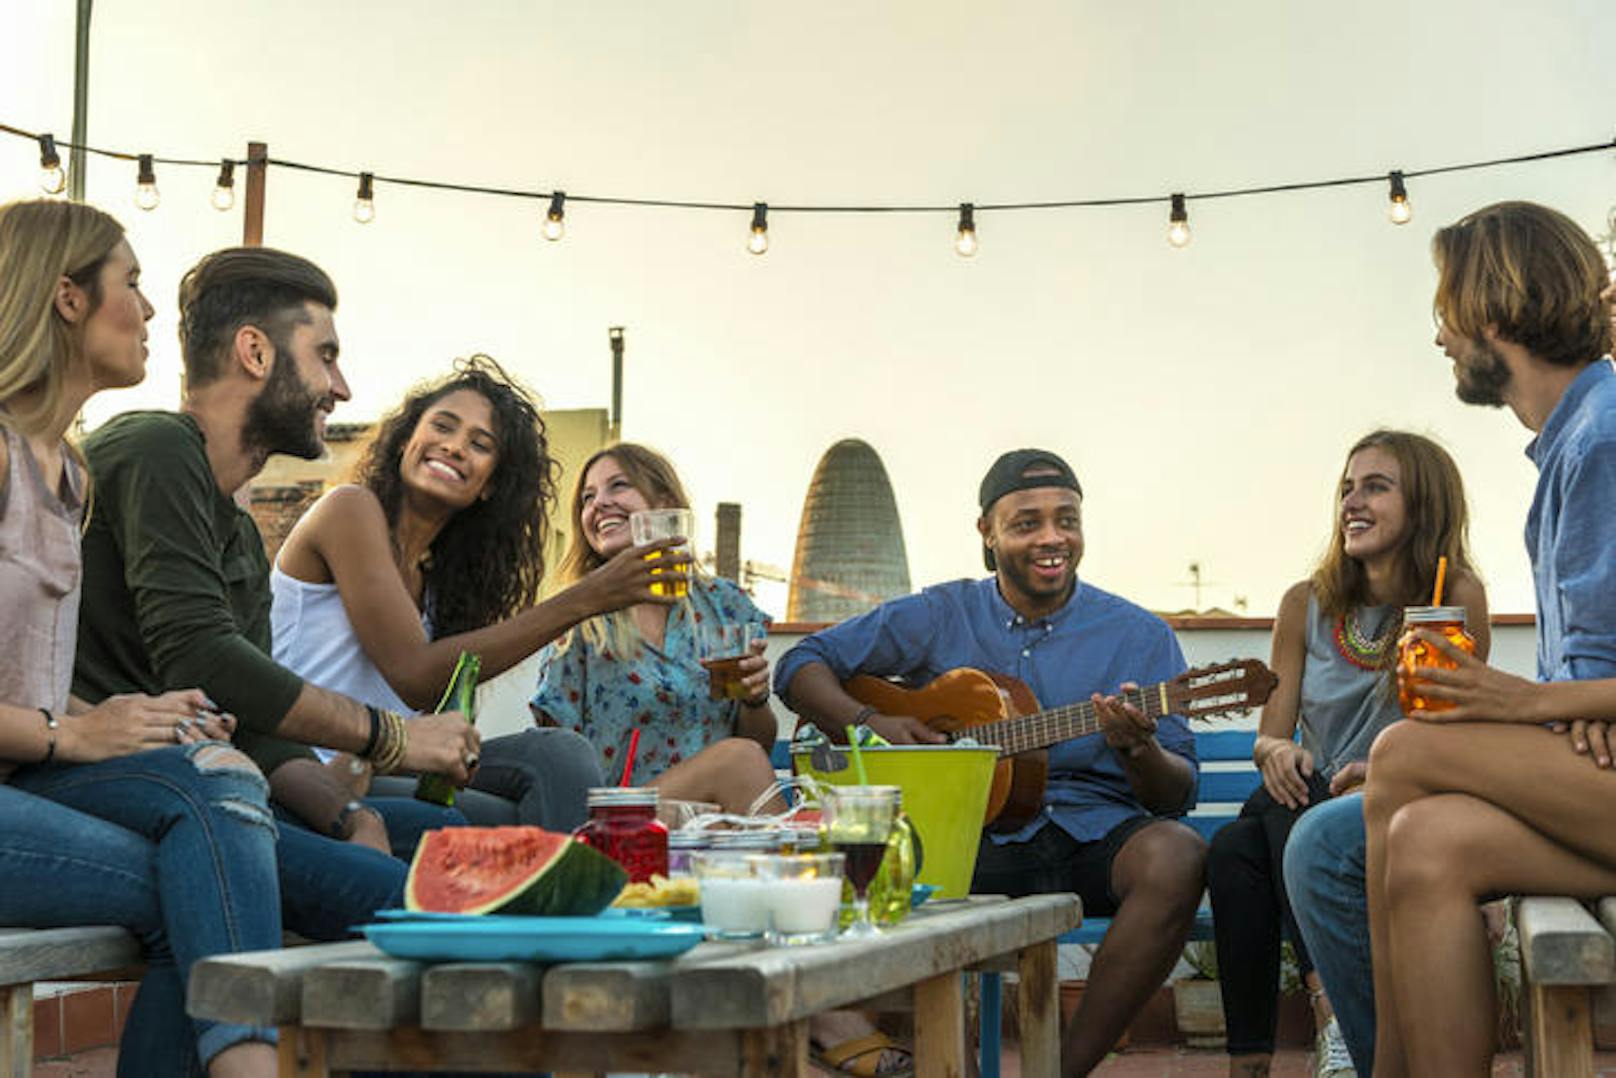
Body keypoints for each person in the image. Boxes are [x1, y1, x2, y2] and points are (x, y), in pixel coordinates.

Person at [1285, 200, 1616, 1076]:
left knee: (1399, 753)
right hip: (1598, 775)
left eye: (1447, 310)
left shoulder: (1605, 437)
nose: (1440, 337)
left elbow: (1573, 687)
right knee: (1428, 842)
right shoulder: (1571, 445)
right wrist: (1562, 713)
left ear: (1496, 313)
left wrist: (1535, 703)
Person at [72, 245, 481, 942]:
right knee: (413, 907)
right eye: (325, 355)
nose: (341, 387)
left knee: (448, 833)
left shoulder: (232, 524)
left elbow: (254, 724)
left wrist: (351, 815)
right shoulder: (155, 449)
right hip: (121, 784)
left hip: (203, 775)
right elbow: (204, 657)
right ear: (255, 353)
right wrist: (393, 738)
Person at [775, 448, 1206, 1078]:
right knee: (875, 866)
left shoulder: (1138, 635)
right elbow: (799, 665)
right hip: (964, 840)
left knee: (1178, 854)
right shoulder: (941, 613)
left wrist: (1139, 747)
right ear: (988, 532)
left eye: (1067, 519)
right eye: (1027, 522)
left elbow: (1176, 795)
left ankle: (1060, 1070)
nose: (1051, 537)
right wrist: (873, 723)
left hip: (1093, 837)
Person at [0, 198, 281, 1074]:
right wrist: (72, 733)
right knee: (202, 868)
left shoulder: (68, 470)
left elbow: (30, 684)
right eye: (133, 283)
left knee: (218, 775)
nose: (151, 310)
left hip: (27, 779)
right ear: (68, 298)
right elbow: (46, 721)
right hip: (27, 774)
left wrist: (126, 716)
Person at [272, 357, 689, 829]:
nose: (453, 446)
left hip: (386, 762)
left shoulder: (443, 584)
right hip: (313, 771)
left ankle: (581, 894)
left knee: (560, 754)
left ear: (492, 485)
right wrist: (588, 596)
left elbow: (432, 716)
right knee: (499, 819)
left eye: (479, 444)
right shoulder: (348, 510)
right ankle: (567, 890)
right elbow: (414, 674)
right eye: (442, 427)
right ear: (406, 440)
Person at [1207, 430, 1487, 1078]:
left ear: (1423, 504)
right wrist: (1273, 751)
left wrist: (1388, 774)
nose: (1351, 503)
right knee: (1264, 825)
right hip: (1308, 793)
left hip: (1396, 800)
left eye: (1376, 487)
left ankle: (1303, 1032)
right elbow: (1272, 732)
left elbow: (1459, 735)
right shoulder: (1304, 603)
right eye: (1346, 488)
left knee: (1240, 847)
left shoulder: (1456, 599)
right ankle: (1285, 1041)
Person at [529, 443, 780, 815]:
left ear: (663, 504)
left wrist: (755, 698)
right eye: (587, 497)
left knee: (737, 777)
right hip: (620, 816)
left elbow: (755, 744)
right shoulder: (580, 619)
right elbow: (557, 762)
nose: (598, 504)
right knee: (737, 763)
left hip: (714, 813)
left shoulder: (723, 605)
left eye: (618, 486)